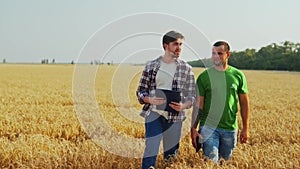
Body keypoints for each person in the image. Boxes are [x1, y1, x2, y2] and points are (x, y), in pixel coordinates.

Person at [136, 30, 196, 169]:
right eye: (175, 44)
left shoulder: (186, 69)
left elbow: (192, 95)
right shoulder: (151, 66)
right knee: (151, 149)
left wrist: (183, 105)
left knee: (171, 155)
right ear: (165, 45)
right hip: (154, 114)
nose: (179, 48)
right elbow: (140, 91)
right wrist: (150, 100)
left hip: (175, 117)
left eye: (181, 44)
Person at [191, 41, 250, 163]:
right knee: (211, 162)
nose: (215, 56)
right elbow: (198, 105)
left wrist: (245, 128)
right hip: (208, 127)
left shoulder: (238, 75)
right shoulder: (204, 77)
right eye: (213, 53)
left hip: (230, 128)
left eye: (219, 53)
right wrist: (193, 128)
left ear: (227, 55)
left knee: (225, 162)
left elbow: (244, 103)